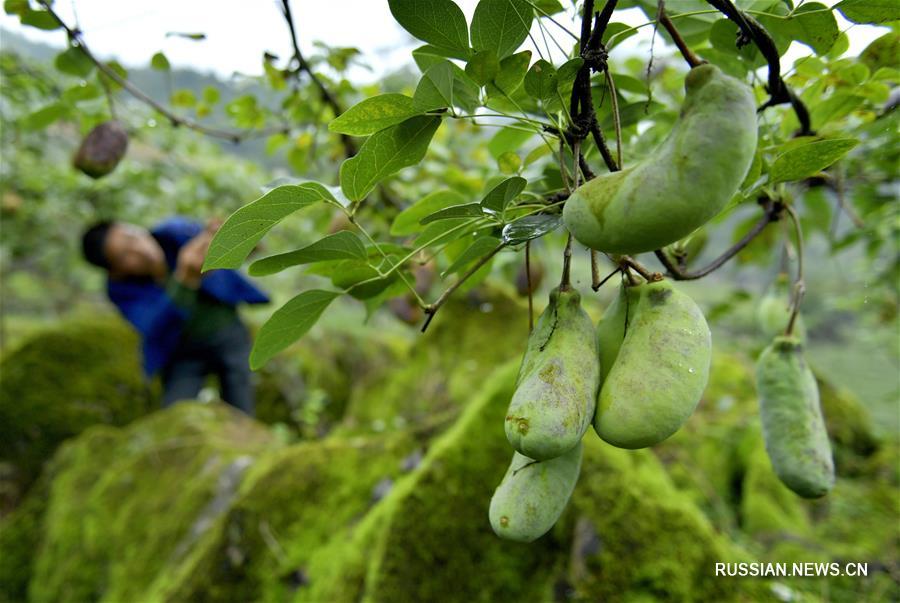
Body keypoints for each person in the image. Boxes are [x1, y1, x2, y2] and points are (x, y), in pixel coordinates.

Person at [81, 216, 269, 415]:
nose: (141, 250)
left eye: (132, 236)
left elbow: (241, 247)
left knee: (241, 407)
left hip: (228, 335)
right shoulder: (121, 290)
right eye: (126, 255)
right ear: (116, 272)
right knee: (175, 413)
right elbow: (151, 325)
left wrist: (239, 235)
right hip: (182, 353)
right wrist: (185, 280)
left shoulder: (175, 233)